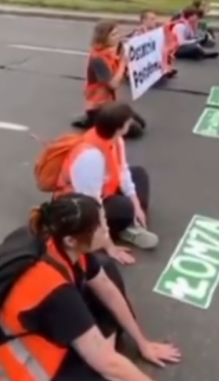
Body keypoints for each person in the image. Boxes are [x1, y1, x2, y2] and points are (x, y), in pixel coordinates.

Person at [0, 194, 181, 381]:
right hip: (22, 368)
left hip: (40, 330)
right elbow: (107, 364)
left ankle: (95, 357)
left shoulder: (62, 247)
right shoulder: (55, 290)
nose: (106, 228)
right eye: (99, 225)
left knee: (107, 270)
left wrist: (143, 342)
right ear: (72, 240)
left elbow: (107, 289)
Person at [60, 102, 157, 265]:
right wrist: (109, 246)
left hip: (105, 190)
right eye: (128, 123)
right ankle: (122, 229)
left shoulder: (116, 140)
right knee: (124, 207)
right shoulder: (90, 157)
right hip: (81, 203)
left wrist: (137, 204)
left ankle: (132, 221)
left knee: (138, 174)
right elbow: (91, 205)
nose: (131, 125)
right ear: (120, 128)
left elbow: (123, 171)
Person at [71, 21, 144, 139]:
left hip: (109, 103)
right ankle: (93, 121)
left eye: (118, 33)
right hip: (98, 105)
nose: (118, 37)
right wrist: (123, 63)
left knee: (141, 122)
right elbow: (113, 85)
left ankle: (94, 120)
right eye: (114, 35)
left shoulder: (113, 49)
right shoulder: (98, 58)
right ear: (104, 37)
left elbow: (126, 43)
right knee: (137, 131)